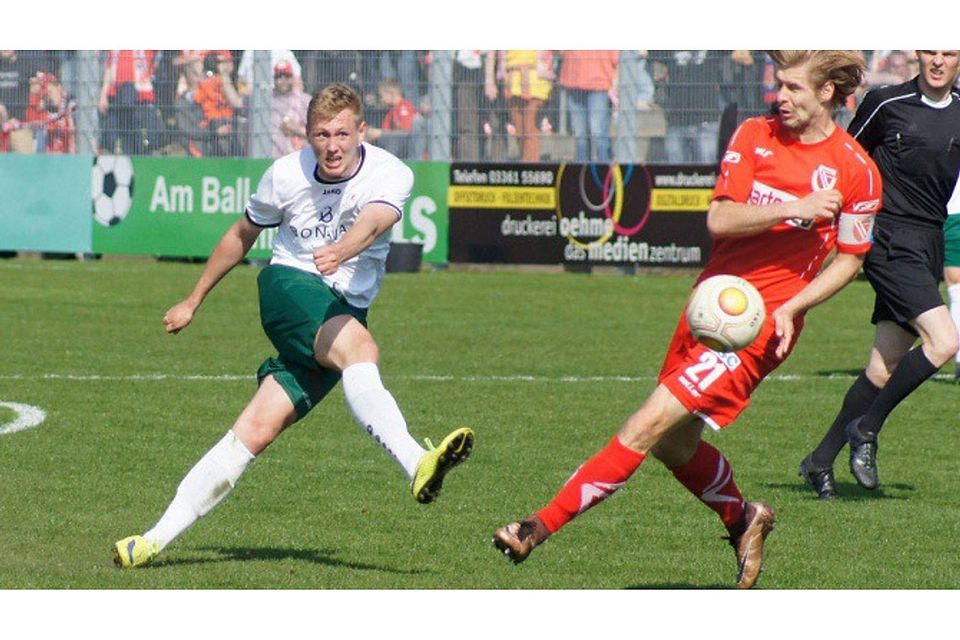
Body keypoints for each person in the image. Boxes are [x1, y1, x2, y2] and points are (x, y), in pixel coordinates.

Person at [492, 50, 881, 589]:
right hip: (708, 310)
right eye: (780, 85)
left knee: (645, 426)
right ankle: (744, 517)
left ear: (826, 94)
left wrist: (795, 306)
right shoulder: (754, 134)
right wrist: (794, 207)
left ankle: (537, 526)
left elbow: (850, 258)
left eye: (793, 87)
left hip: (760, 327)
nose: (781, 97)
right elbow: (720, 218)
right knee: (675, 445)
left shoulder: (856, 169)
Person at [112, 83, 474, 569]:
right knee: (361, 351)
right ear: (306, 134)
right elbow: (240, 235)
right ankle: (416, 462)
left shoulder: (391, 172)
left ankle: (150, 540)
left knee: (254, 432)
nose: (332, 145)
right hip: (289, 288)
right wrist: (194, 299)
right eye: (321, 134)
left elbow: (377, 220)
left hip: (340, 310)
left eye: (342, 133)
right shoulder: (284, 175)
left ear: (362, 131)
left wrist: (343, 249)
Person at [799, 51, 960, 499]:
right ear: (919, 53)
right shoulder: (886, 103)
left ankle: (818, 461)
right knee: (945, 342)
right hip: (888, 239)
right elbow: (847, 163)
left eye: (949, 52)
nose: (938, 61)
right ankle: (866, 430)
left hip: (928, 241)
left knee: (883, 365)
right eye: (931, 50)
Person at [487, 50, 554, 162]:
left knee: (530, 130)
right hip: (512, 83)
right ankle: (526, 163)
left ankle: (530, 168)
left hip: (536, 83)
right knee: (519, 131)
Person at [97, 49, 164, 155]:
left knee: (140, 142)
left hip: (141, 98)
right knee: (116, 141)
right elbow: (109, 66)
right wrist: (103, 94)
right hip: (116, 97)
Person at [558, 50, 618, 163]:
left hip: (600, 85)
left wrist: (615, 84)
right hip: (573, 84)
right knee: (580, 134)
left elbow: (618, 59)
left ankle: (605, 171)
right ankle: (582, 172)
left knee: (598, 131)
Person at [194, 50, 244, 156]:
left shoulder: (227, 81)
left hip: (229, 124)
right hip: (212, 124)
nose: (228, 65)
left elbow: (237, 103)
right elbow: (197, 99)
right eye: (221, 62)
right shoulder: (210, 80)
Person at [269, 60, 311, 158]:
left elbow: (316, 132)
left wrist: (295, 128)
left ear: (292, 78)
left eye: (286, 76)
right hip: (272, 158)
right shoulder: (266, 101)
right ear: (274, 79)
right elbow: (238, 103)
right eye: (279, 76)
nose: (283, 80)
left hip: (299, 157)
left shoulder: (304, 100)